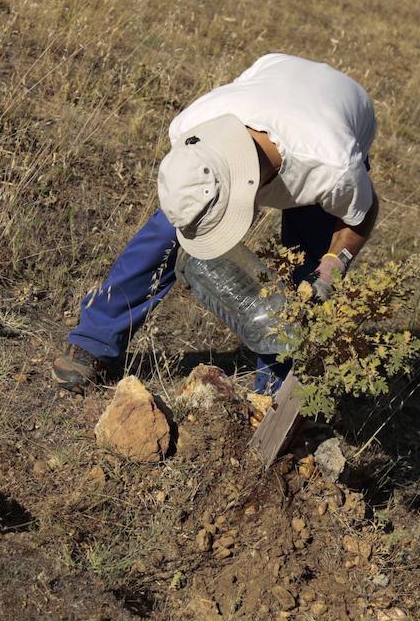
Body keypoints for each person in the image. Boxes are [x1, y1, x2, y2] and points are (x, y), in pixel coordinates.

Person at [53, 53, 380, 394]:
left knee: (307, 270)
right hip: (270, 76)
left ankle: (274, 392)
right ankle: (95, 339)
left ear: (247, 195)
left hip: (340, 110)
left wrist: (332, 266)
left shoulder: (333, 168)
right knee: (167, 230)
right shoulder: (190, 129)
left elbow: (362, 215)